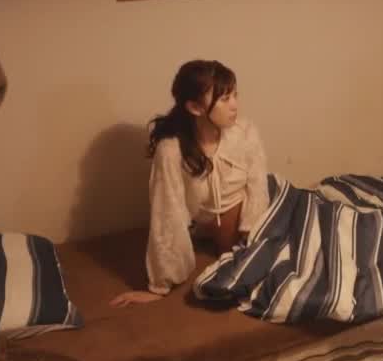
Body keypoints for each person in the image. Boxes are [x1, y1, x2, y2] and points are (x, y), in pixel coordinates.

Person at [110, 60, 270, 306]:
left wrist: (253, 238)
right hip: (210, 225)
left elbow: (258, 187)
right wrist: (160, 285)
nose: (235, 106)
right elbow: (167, 211)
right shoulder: (171, 150)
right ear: (195, 107)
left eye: (235, 96)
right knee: (223, 288)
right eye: (224, 99)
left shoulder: (246, 132)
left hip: (260, 209)